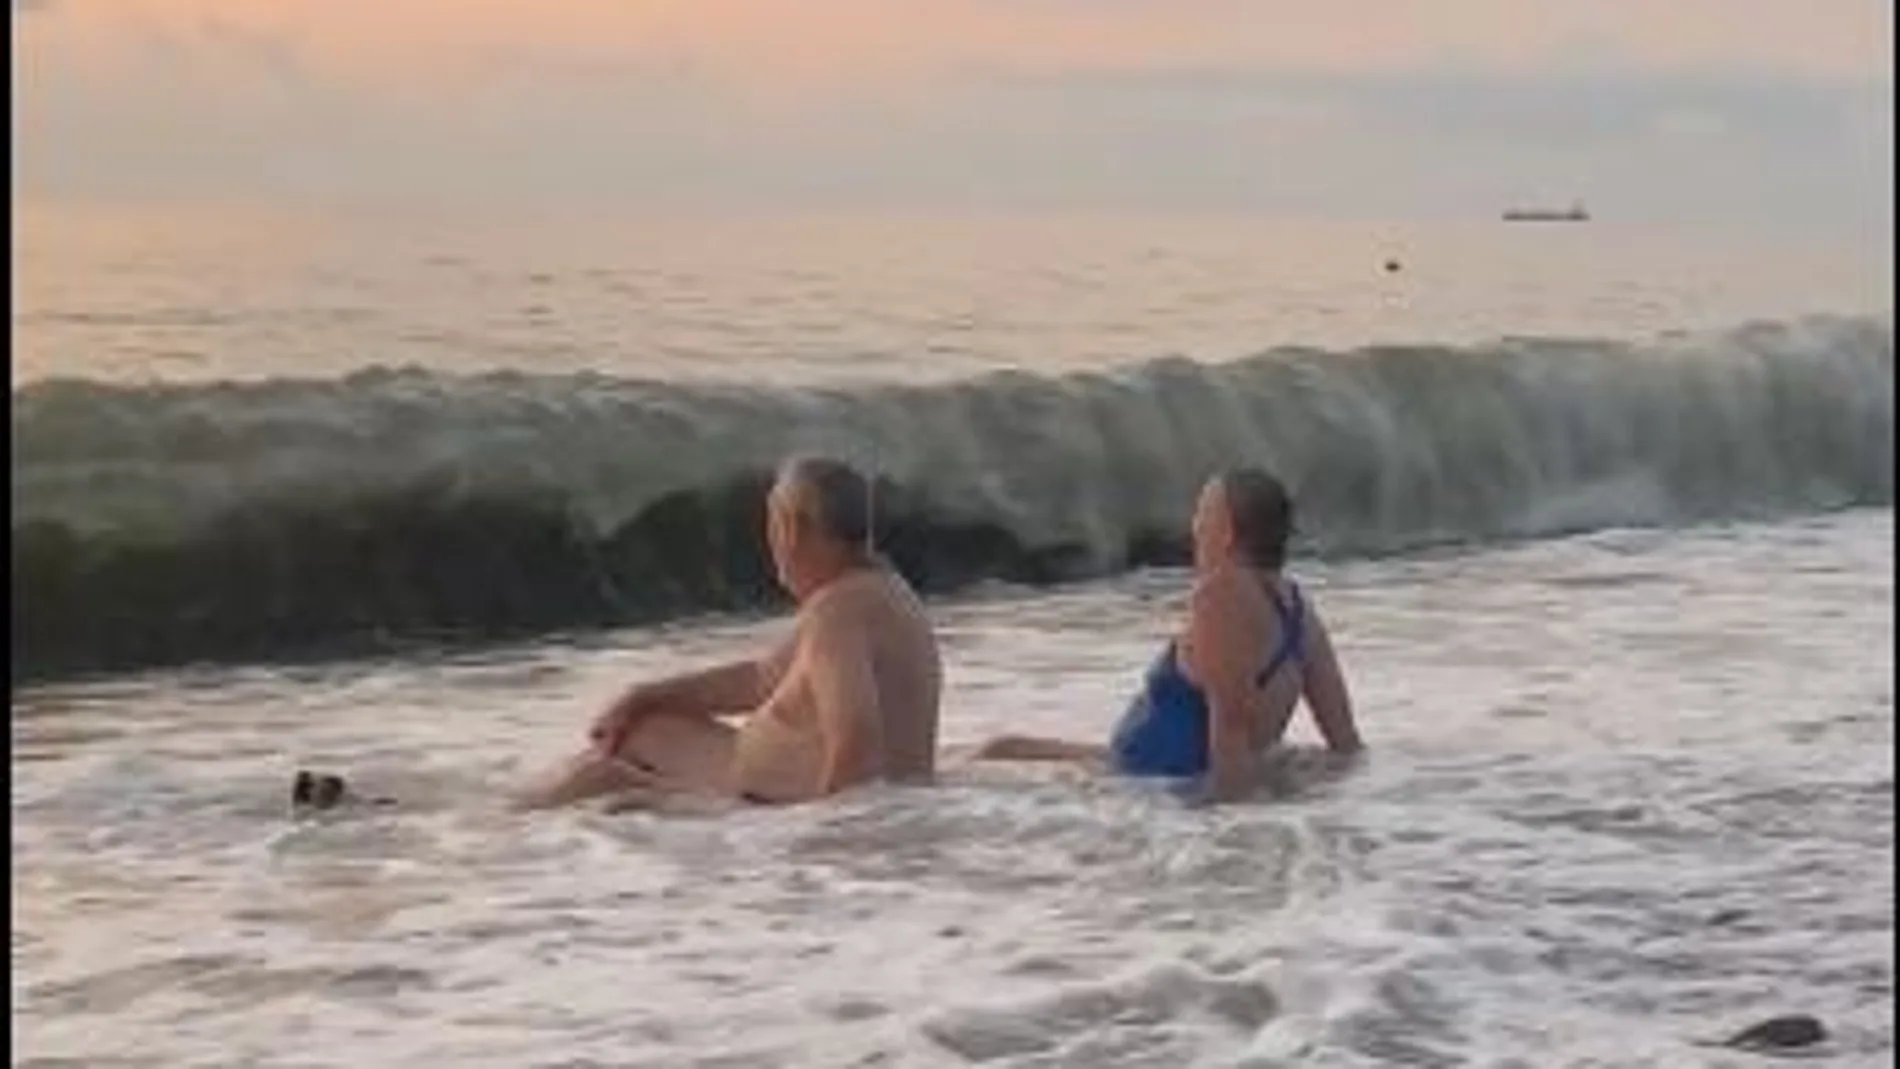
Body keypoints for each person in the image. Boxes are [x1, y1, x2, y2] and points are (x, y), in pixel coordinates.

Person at [514, 455, 943, 811]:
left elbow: (857, 734)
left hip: (776, 803)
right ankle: (507, 814)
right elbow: (761, 679)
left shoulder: (838, 615)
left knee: (600, 776)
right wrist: (644, 694)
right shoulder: (881, 591)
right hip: (773, 781)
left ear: (789, 528)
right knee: (645, 727)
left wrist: (822, 836)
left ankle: (498, 829)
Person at [970, 468, 1361, 803]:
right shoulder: (1298, 609)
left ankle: (919, 809)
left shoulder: (1221, 594)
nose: (1193, 529)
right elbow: (1344, 742)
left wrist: (1230, 836)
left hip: (1157, 790)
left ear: (1225, 530)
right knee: (1002, 749)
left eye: (1201, 515)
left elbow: (1231, 727)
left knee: (989, 764)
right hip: (1148, 772)